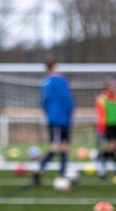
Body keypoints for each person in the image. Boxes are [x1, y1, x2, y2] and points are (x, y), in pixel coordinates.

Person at [33, 58, 74, 186]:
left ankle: (62, 174)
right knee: (59, 146)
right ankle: (39, 169)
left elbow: (43, 102)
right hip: (62, 118)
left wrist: (49, 113)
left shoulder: (45, 82)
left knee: (62, 146)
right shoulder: (59, 80)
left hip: (53, 118)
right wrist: (69, 110)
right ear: (55, 66)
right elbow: (67, 99)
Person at [94, 79, 116, 178]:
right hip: (107, 125)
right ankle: (104, 162)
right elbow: (100, 114)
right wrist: (100, 127)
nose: (114, 88)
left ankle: (105, 162)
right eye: (111, 86)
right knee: (111, 146)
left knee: (114, 148)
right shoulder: (101, 99)